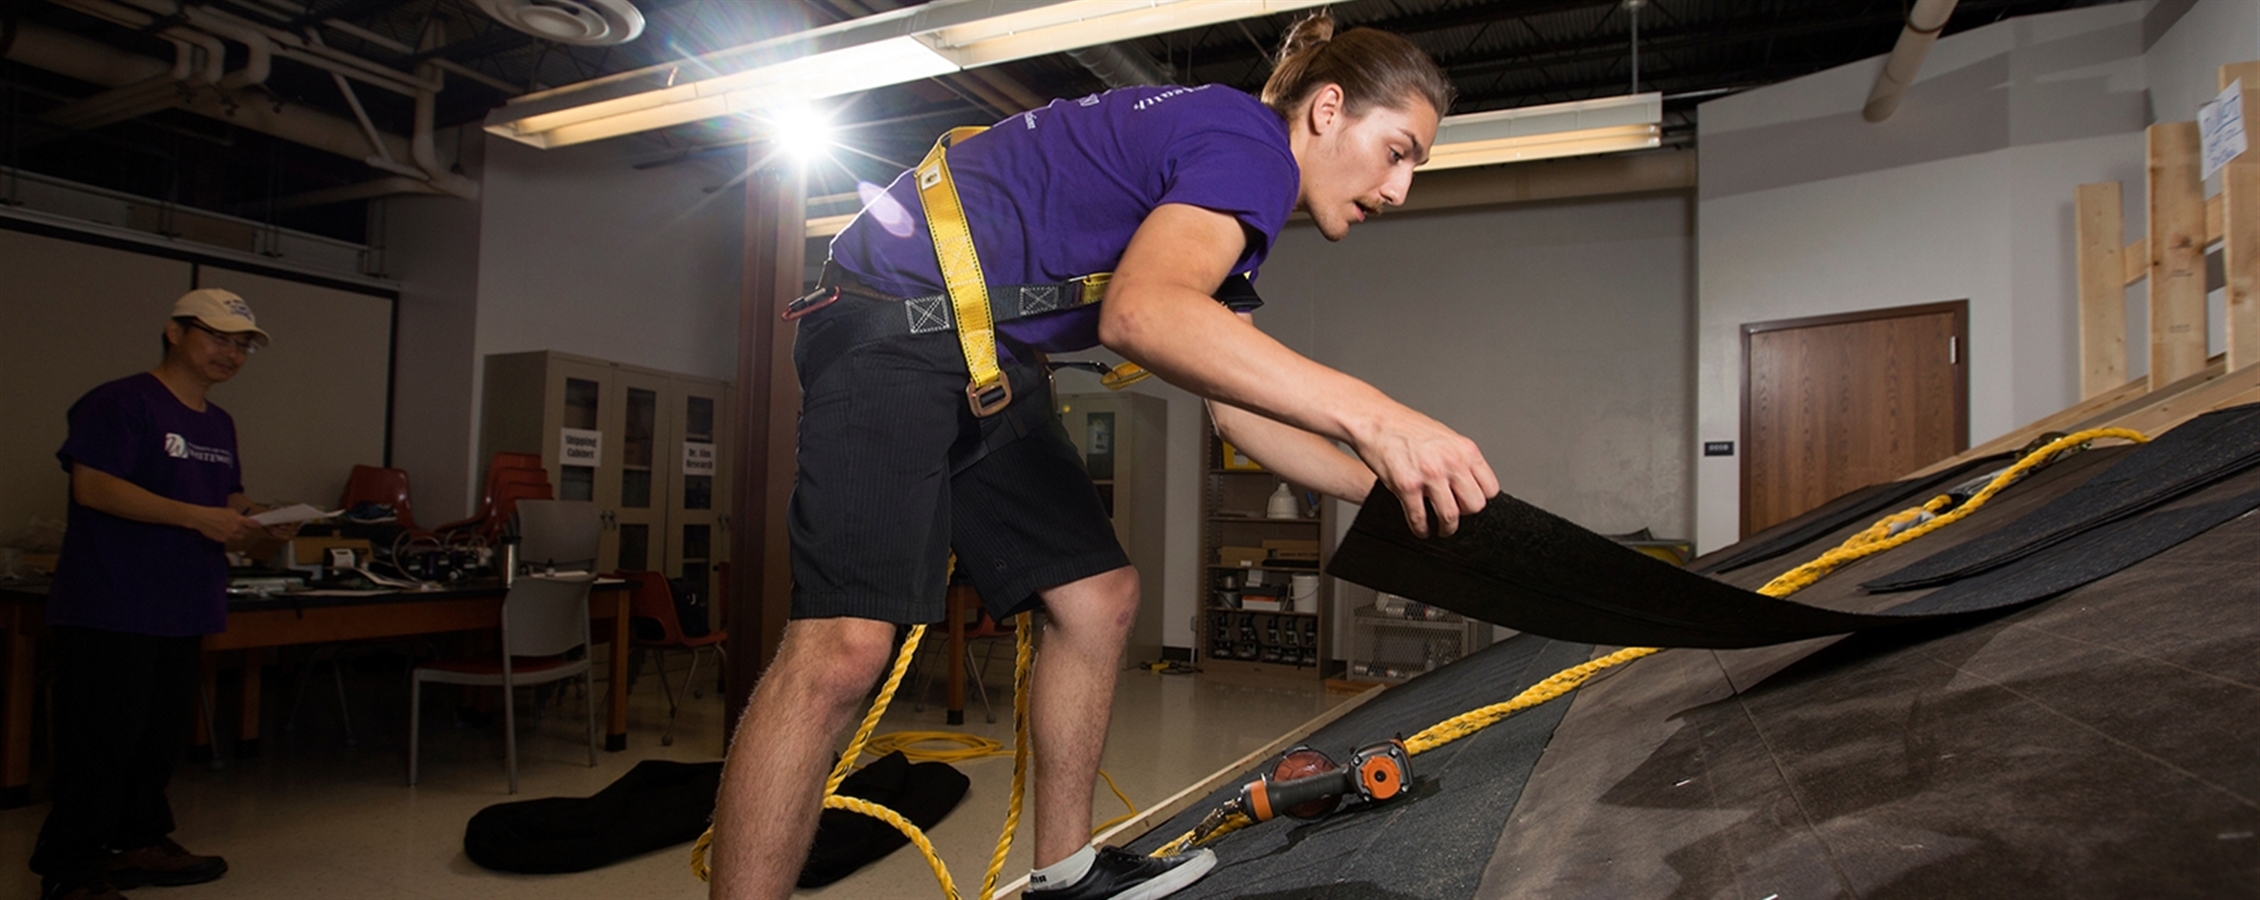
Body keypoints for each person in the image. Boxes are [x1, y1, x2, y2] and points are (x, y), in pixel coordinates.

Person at [709, 13, 1498, 900]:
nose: (1397, 190)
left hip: (980, 355)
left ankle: (1067, 875)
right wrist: (1382, 417)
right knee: (843, 649)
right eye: (1398, 151)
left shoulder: (1220, 175)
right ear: (1327, 110)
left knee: (1096, 596)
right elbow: (1144, 315)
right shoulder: (1248, 143)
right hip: (891, 327)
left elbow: (1242, 418)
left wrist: (1389, 487)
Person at [30, 288, 292, 900]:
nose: (232, 354)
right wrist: (196, 518)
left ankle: (137, 843)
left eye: (243, 345)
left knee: (156, 739)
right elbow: (95, 488)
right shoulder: (121, 402)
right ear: (175, 332)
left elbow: (224, 494)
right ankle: (69, 872)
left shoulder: (217, 421)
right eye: (219, 338)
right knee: (100, 742)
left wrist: (261, 515)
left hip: (183, 604)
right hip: (112, 603)